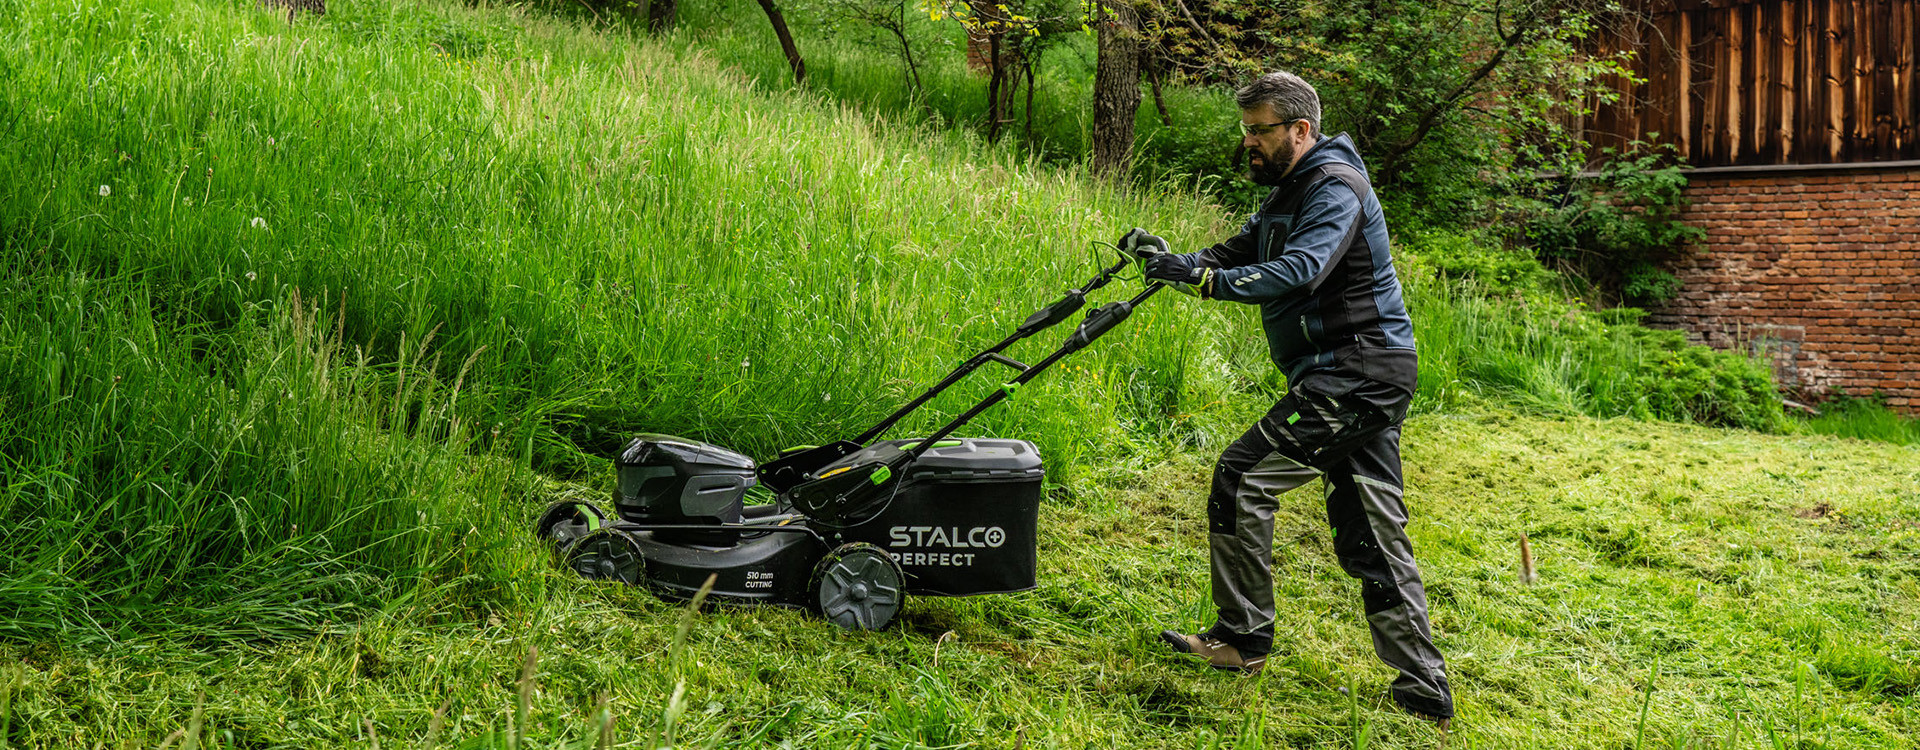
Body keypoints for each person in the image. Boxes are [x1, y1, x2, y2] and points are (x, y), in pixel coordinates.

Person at [1128, 70, 1454, 728]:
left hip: (1356, 371)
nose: (1247, 142)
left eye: (1259, 130)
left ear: (1300, 130)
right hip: (1351, 373)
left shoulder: (1334, 187)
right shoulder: (1289, 191)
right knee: (1371, 527)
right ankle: (1424, 688)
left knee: (1242, 475)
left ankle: (1241, 640)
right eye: (1244, 129)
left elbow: (1301, 268)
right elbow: (1229, 253)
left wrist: (1208, 282)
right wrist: (1169, 261)